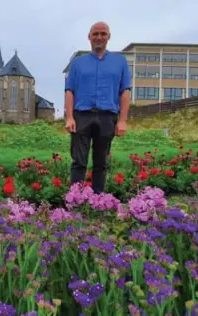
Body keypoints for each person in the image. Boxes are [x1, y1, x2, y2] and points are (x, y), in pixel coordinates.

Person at [64, 21, 131, 193]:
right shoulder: (78, 63)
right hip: (82, 116)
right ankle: (76, 200)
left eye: (103, 34)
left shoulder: (120, 62)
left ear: (108, 36)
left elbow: (124, 91)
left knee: (101, 163)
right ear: (89, 37)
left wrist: (122, 121)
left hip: (107, 117)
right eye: (95, 34)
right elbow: (69, 90)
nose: (99, 37)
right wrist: (69, 117)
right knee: (79, 161)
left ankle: (98, 200)